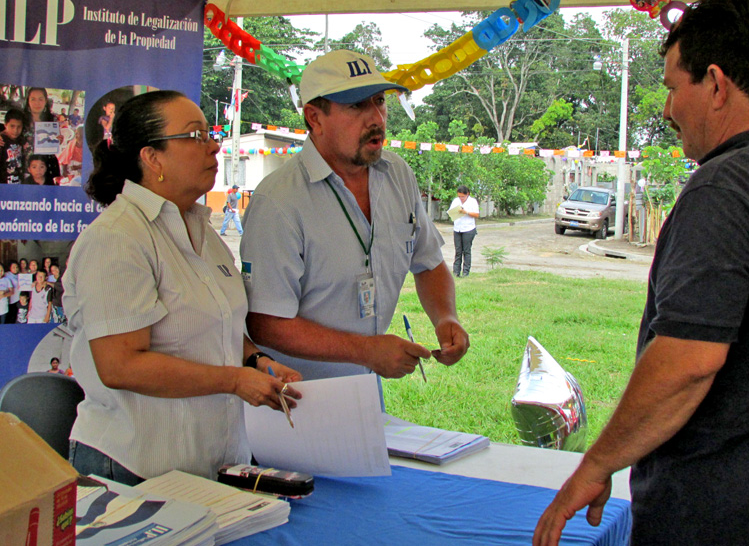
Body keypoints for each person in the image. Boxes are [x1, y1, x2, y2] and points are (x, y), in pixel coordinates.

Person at [533, 0, 749, 546]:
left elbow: (688, 363)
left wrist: (595, 464)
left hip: (723, 507)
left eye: (672, 88)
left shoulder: (726, 186)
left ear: (716, 85)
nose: (666, 110)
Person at [62, 90, 302, 485]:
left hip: (211, 463)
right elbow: (120, 365)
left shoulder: (204, 232)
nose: (214, 146)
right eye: (196, 137)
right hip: (134, 466)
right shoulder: (118, 238)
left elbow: (219, 326)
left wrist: (258, 362)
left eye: (212, 133)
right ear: (151, 157)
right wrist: (234, 380)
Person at [240, 49, 469, 382]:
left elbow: (429, 262)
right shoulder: (278, 202)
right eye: (357, 106)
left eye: (379, 101)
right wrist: (365, 350)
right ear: (315, 118)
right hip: (293, 397)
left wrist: (447, 317)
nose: (376, 117)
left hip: (366, 387)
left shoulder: (397, 174)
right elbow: (264, 322)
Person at [448, 185, 479, 277]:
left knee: (466, 250)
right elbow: (451, 212)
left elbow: (476, 214)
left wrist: (466, 212)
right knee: (458, 251)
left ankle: (466, 272)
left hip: (468, 228)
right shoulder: (455, 201)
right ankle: (456, 272)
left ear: (467, 194)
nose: (461, 198)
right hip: (457, 228)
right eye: (459, 196)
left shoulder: (472, 201)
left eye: (463, 196)